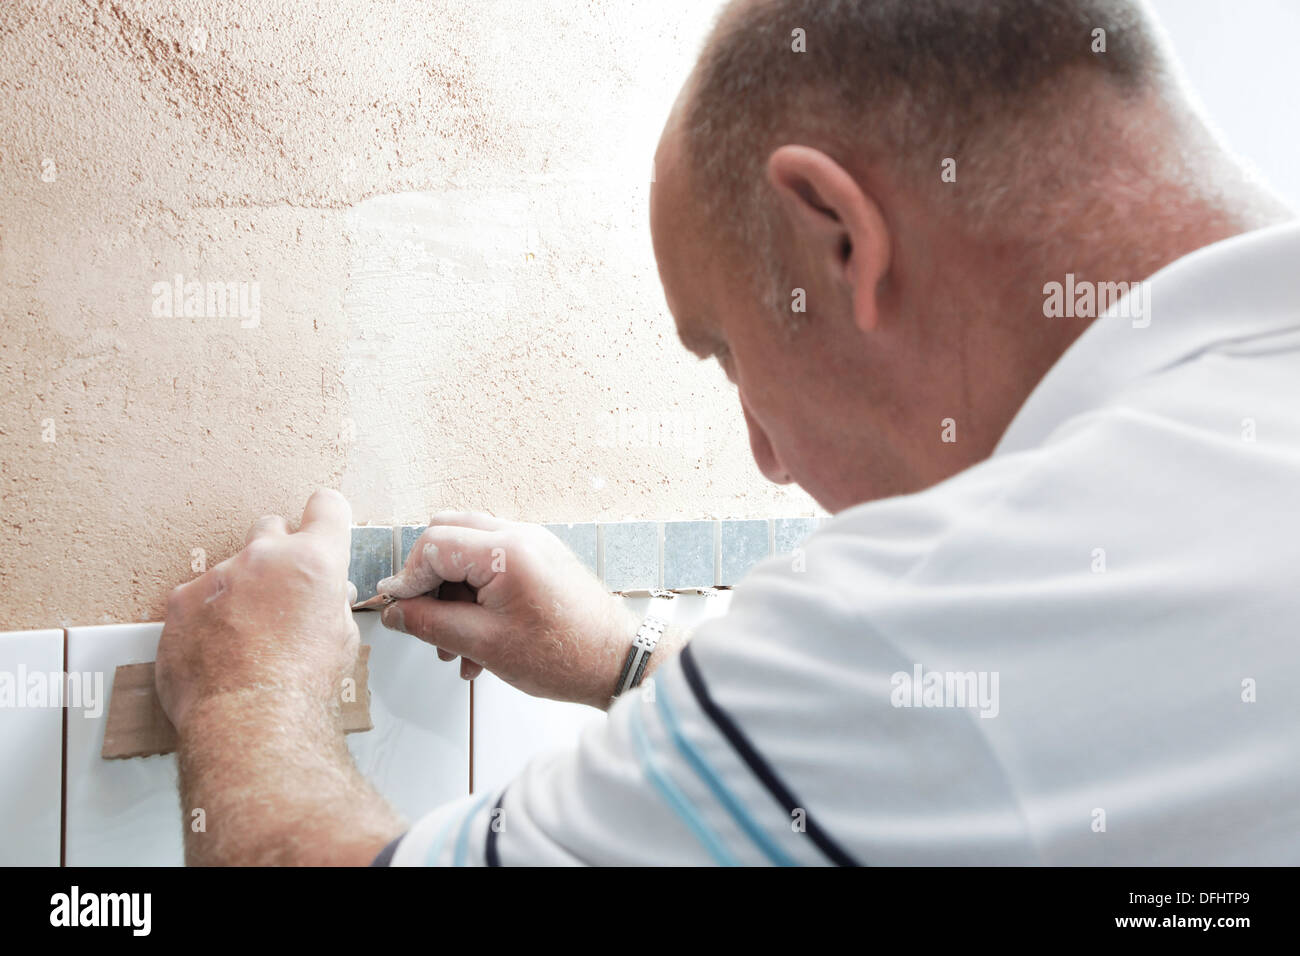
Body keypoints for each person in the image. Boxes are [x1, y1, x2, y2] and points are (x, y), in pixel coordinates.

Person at [156, 0, 1300, 865]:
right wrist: (627, 662)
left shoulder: (938, 609)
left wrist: (248, 691)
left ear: (837, 235)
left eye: (727, 352)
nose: (762, 452)